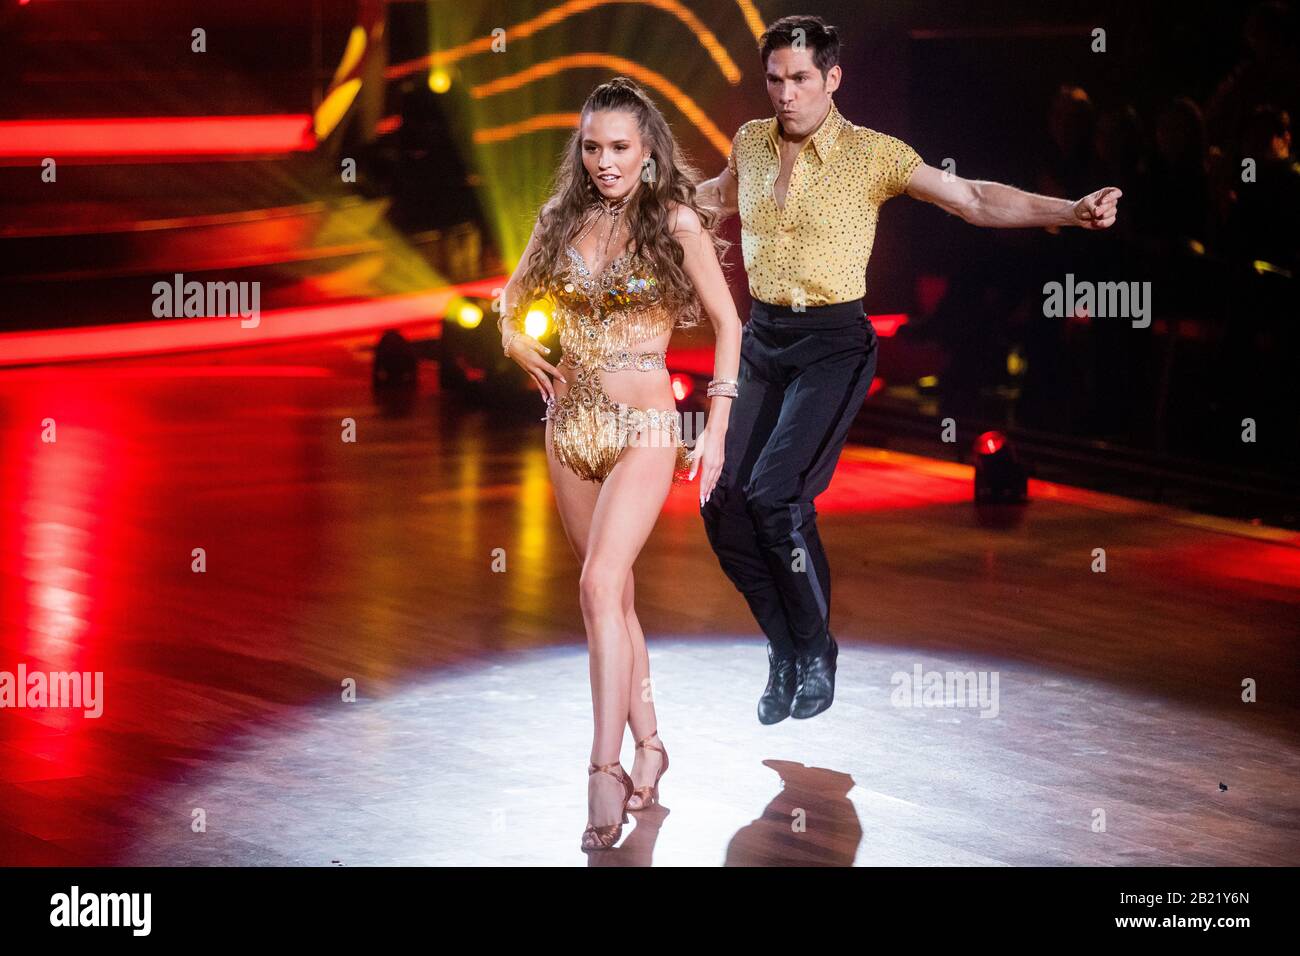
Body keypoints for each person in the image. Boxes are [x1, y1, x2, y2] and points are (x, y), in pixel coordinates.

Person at [697, 15, 1121, 725]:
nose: (785, 94)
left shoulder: (873, 155)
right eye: (774, 79)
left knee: (776, 500)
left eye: (800, 78)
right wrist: (629, 200)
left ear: (832, 78)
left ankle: (814, 649)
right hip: (763, 340)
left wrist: (1070, 212)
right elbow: (710, 197)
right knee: (722, 503)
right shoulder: (750, 143)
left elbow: (975, 199)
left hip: (833, 347)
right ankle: (785, 648)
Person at [498, 77, 742, 851]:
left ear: (647, 151)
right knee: (617, 603)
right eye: (594, 147)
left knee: (599, 585)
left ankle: (603, 770)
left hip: (644, 425)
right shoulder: (560, 219)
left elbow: (731, 327)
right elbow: (509, 297)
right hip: (568, 427)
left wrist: (721, 428)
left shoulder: (674, 220)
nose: (606, 162)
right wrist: (510, 334)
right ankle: (652, 746)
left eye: (621, 148)